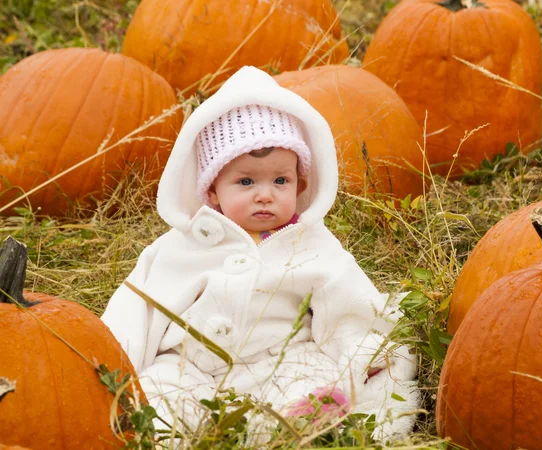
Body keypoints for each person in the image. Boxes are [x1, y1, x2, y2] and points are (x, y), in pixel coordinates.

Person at [101, 66, 421, 442]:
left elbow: (349, 302)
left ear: (300, 183)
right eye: (246, 181)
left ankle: (299, 421)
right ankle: (170, 434)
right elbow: (138, 306)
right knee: (160, 393)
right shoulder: (183, 245)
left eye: (280, 180)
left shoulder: (311, 243)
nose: (265, 194)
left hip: (279, 359)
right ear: (213, 191)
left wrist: (367, 352)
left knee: (308, 378)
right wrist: (114, 360)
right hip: (190, 363)